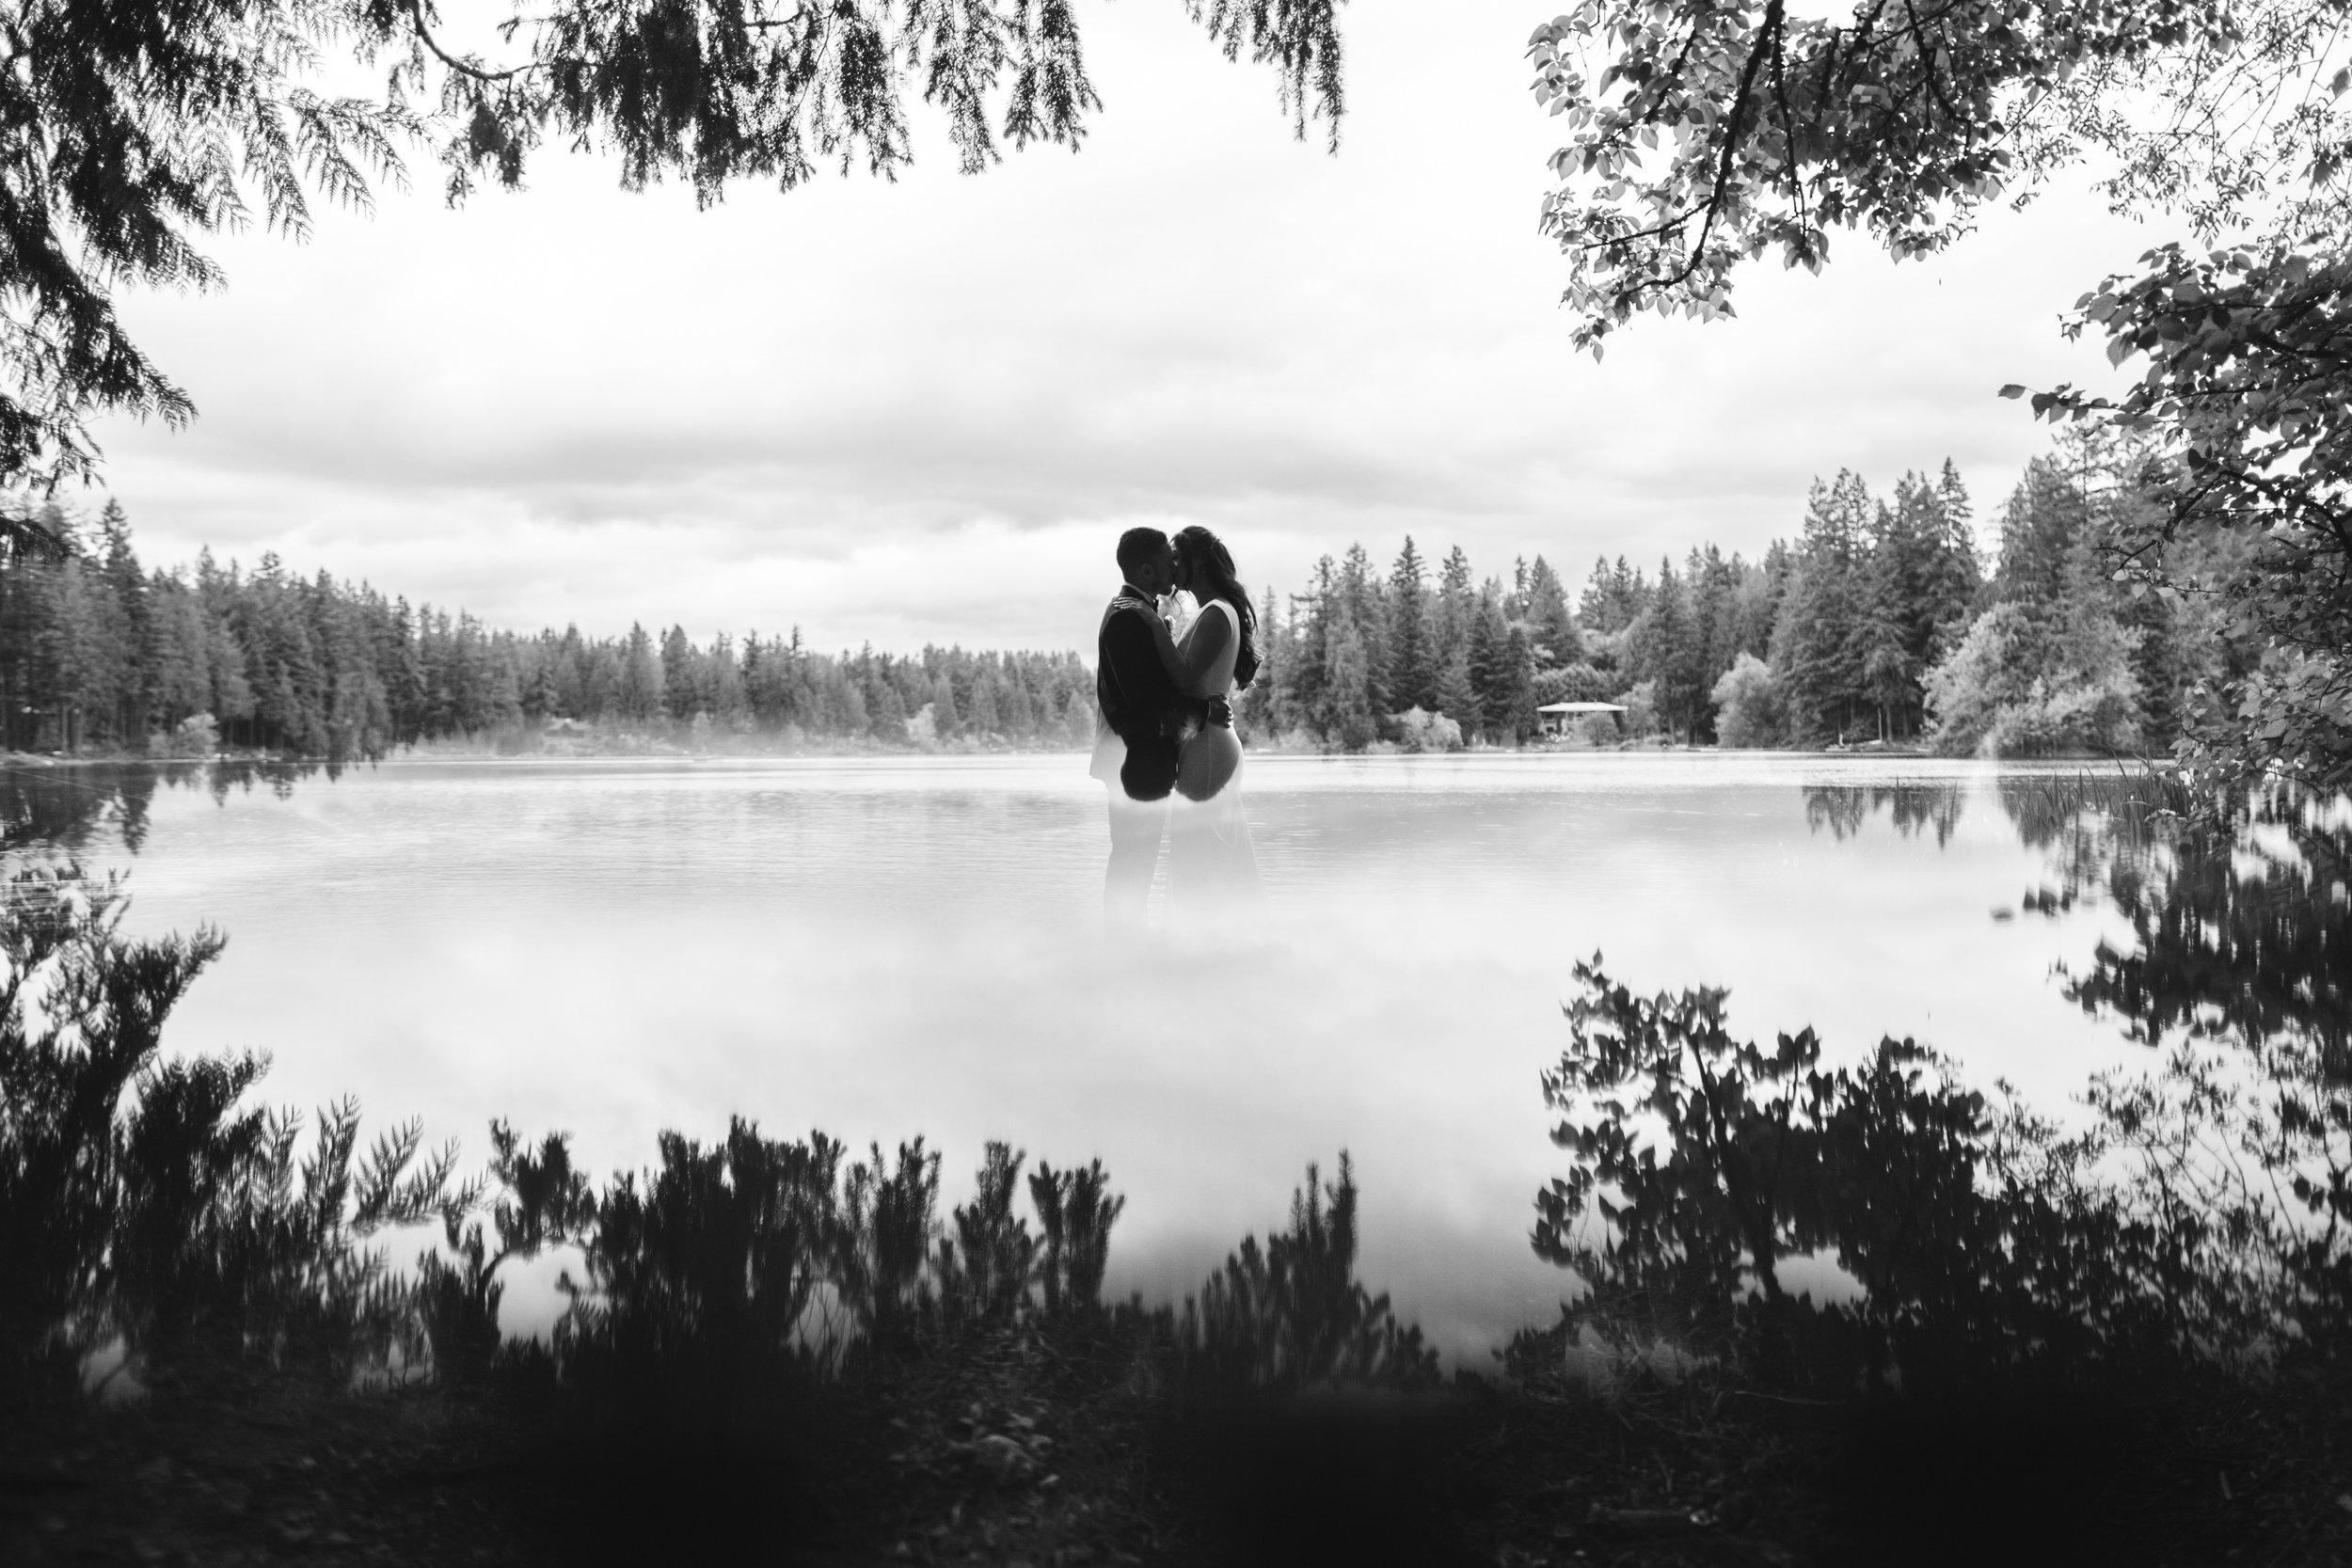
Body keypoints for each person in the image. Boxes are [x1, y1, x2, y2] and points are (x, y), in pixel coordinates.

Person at [1090, 527, 1194, 925]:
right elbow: (1142, 703)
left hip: (1135, 760)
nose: (1176, 565)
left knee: (1136, 861)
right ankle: (1125, 945)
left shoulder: (1137, 611)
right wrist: (1199, 715)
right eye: (1170, 559)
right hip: (1134, 761)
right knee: (1134, 861)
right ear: (1148, 570)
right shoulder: (1128, 618)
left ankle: (1126, 946)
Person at [1162, 525, 1263, 911]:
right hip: (1207, 739)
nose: (1171, 566)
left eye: (1176, 557)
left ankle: (1200, 947)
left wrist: (1157, 631)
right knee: (1205, 853)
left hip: (1208, 745)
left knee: (1195, 853)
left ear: (1196, 563)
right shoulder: (1213, 611)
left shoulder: (1218, 613)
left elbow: (1182, 679)